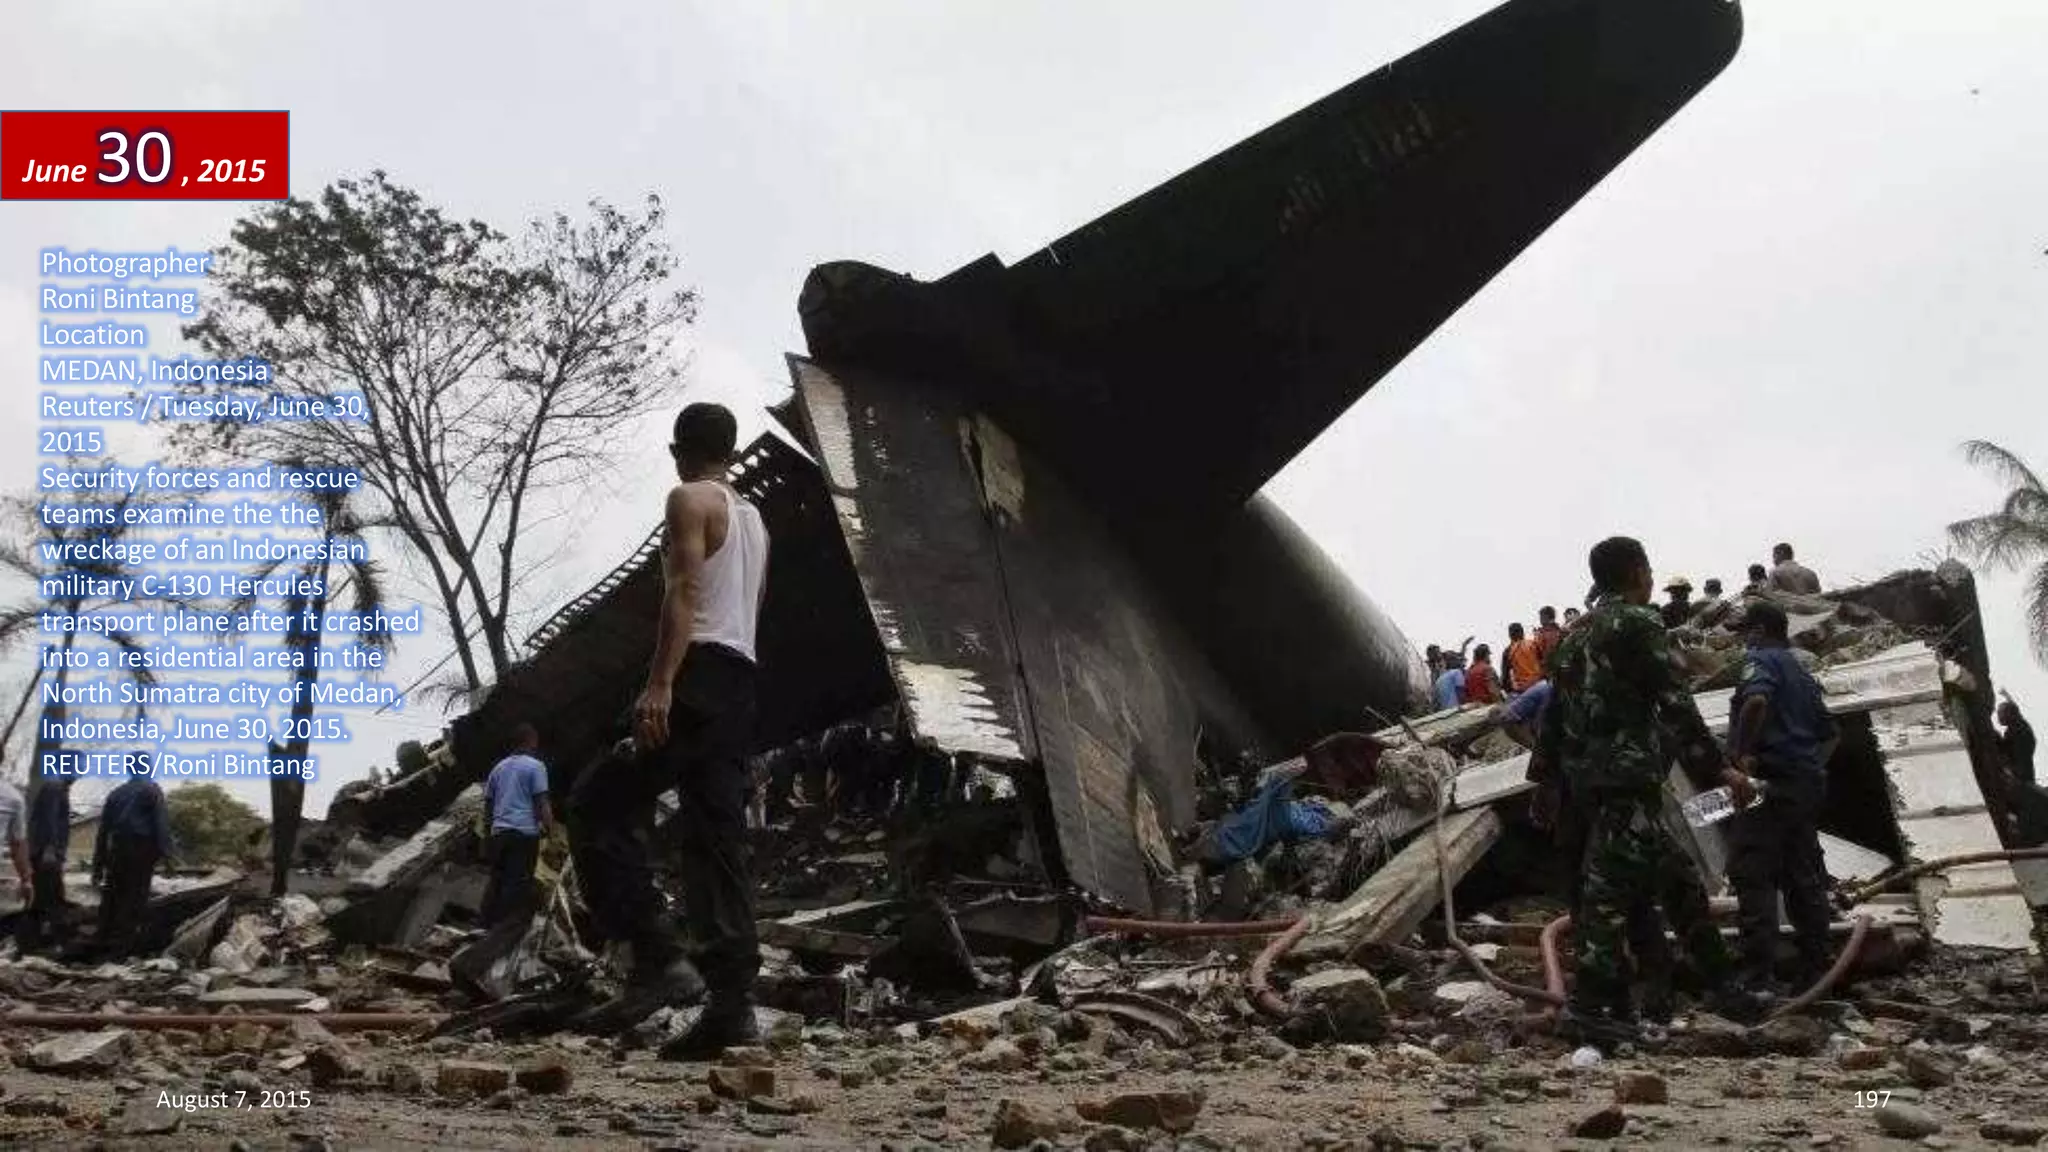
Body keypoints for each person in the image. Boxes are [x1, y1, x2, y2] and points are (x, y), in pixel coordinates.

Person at [567, 402, 769, 1060]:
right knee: (718, 840)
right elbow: (750, 610)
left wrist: (660, 684)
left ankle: (655, 956)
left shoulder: (688, 498)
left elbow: (682, 591)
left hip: (700, 671)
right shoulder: (754, 520)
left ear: (681, 449)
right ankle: (732, 1008)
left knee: (596, 804)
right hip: (741, 680)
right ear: (733, 453)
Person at [1532, 536, 1750, 1047]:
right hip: (1625, 780)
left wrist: (1544, 780)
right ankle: (1589, 1007)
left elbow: (1554, 716)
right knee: (1606, 894)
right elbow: (1674, 700)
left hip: (1589, 781)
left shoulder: (1571, 638)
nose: (1651, 579)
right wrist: (1720, 769)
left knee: (1678, 881)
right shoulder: (1638, 623)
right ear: (1635, 571)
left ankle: (1723, 985)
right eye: (1648, 570)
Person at [1725, 601, 1840, 999]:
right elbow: (1830, 733)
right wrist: (1807, 768)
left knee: (1751, 872)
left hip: (1768, 785)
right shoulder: (1803, 674)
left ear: (1759, 630)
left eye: (1744, 632)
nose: (1742, 640)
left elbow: (1756, 702)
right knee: (1802, 876)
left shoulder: (1760, 661)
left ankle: (1757, 978)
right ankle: (1815, 971)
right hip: (1803, 786)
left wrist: (1741, 759)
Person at [452, 723, 555, 999]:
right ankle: (494, 948)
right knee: (516, 889)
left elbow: (487, 805)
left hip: (498, 834)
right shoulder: (535, 767)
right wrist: (550, 827)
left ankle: (482, 929)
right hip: (523, 834)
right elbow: (541, 801)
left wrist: (487, 834)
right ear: (530, 741)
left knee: (496, 884)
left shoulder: (498, 769)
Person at [92, 756, 174, 958]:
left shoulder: (116, 794)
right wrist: (168, 855)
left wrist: (98, 865)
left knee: (112, 897)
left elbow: (102, 832)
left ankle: (100, 944)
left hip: (117, 850)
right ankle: (122, 951)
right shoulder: (152, 789)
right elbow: (160, 824)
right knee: (134, 899)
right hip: (141, 849)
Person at [20, 773, 73, 952]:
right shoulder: (55, 787)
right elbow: (48, 820)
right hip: (46, 854)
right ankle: (45, 945)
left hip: (43, 852)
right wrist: (50, 849)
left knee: (43, 899)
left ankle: (31, 943)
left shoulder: (55, 787)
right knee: (51, 901)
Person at [0, 776, 29, 915]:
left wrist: (26, 880)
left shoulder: (13, 798)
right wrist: (26, 880)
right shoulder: (13, 797)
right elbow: (17, 844)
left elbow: (18, 844)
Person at [1998, 698, 2036, 787]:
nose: (1998, 717)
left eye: (2000, 713)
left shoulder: (2017, 730)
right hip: (2023, 776)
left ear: (2009, 714)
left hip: (2021, 779)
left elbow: (2019, 756)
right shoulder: (2018, 726)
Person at [1503, 623, 1543, 694]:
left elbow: (1505, 676)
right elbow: (1542, 662)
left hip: (1522, 690)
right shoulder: (1533, 644)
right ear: (1523, 633)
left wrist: (1509, 691)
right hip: (1539, 684)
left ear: (1510, 635)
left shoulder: (1508, 651)